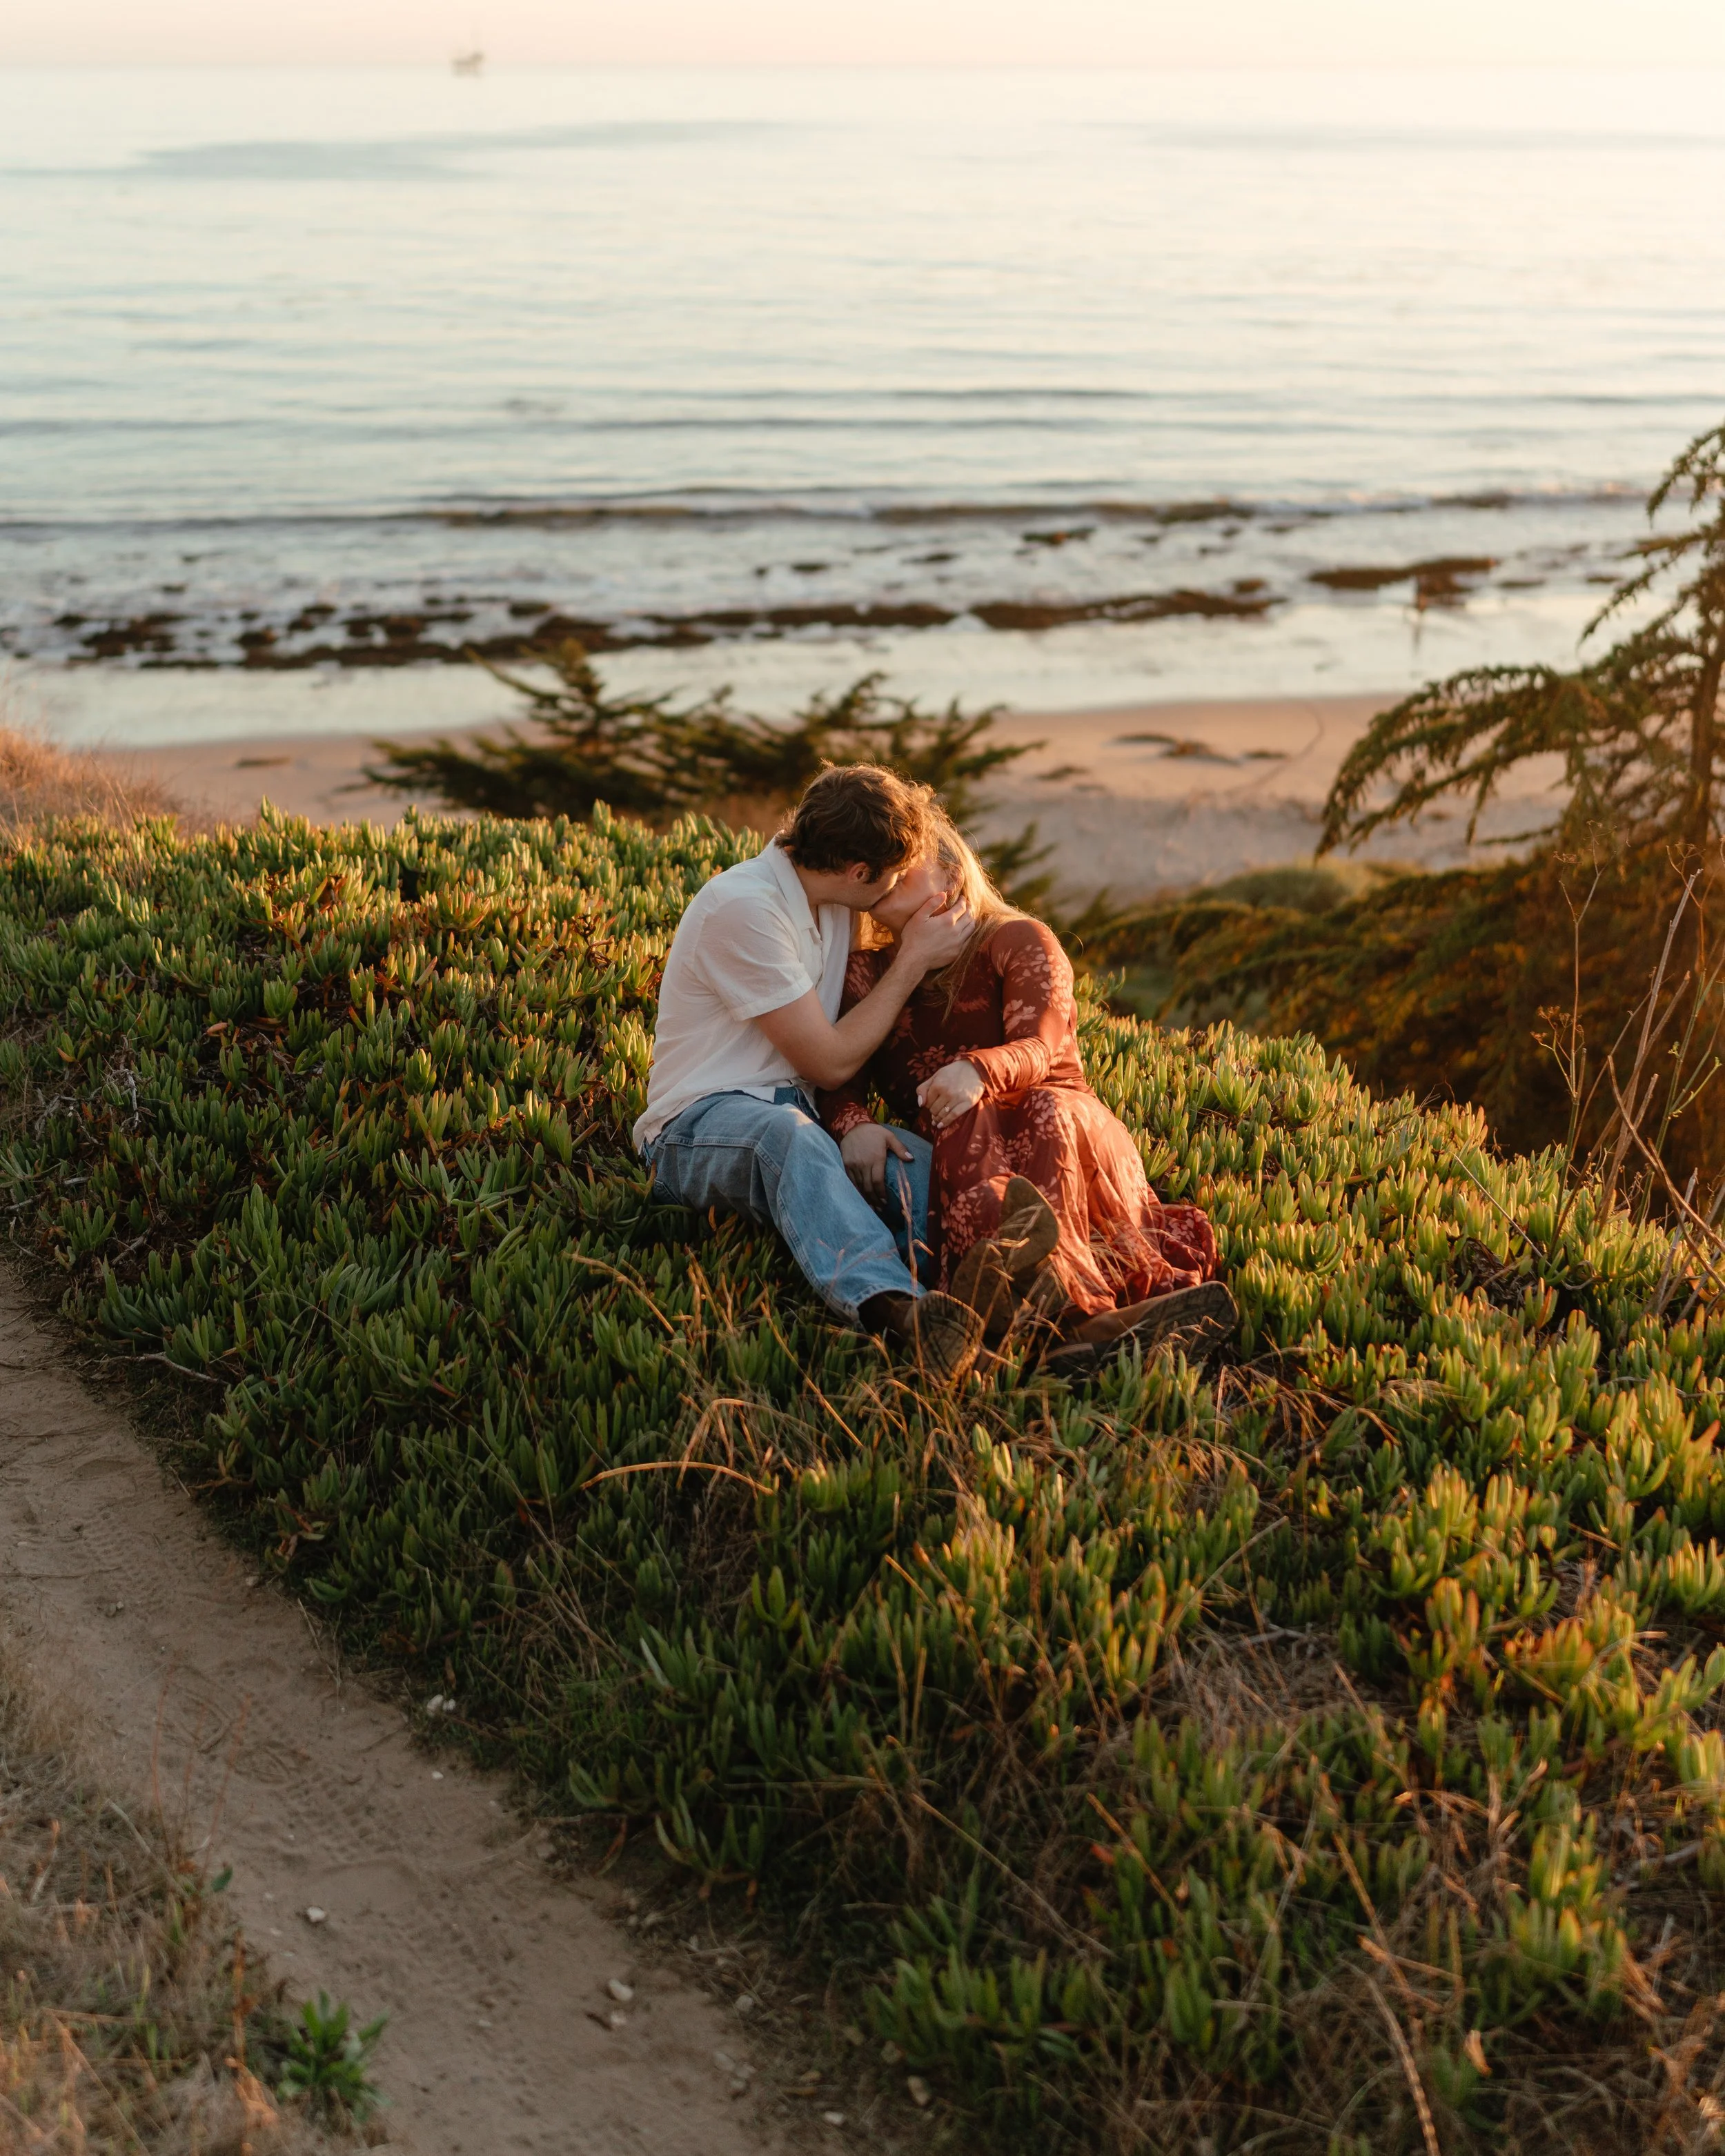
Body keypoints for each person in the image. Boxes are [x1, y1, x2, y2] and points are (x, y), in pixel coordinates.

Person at [819, 809, 1234, 1376]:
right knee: (959, 1124)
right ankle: (1072, 1333)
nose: (887, 879)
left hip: (1061, 1125)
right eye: (880, 870)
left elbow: (1043, 1046)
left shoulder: (1015, 938)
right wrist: (854, 1124)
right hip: (967, 1147)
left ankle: (1069, 1321)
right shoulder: (869, 972)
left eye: (905, 868)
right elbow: (838, 1074)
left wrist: (977, 1072)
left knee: (1038, 1104)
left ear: (951, 876)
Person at [635, 764, 989, 1384]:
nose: (897, 886)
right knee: (785, 1136)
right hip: (694, 1128)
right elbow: (827, 1059)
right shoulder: (742, 908)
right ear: (858, 873)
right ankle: (899, 1315)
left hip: (801, 1116)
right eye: (894, 875)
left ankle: (1019, 1290)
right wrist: (912, 960)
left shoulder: (831, 905)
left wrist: (855, 1121)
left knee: (921, 1162)